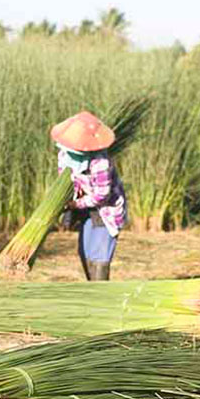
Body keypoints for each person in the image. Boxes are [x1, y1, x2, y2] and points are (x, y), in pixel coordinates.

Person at [51, 110, 128, 281]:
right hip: (85, 209)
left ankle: (100, 295)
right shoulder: (64, 154)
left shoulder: (100, 162)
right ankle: (91, 288)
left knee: (99, 254)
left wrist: (75, 205)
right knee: (85, 250)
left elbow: (102, 196)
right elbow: (66, 180)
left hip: (105, 210)